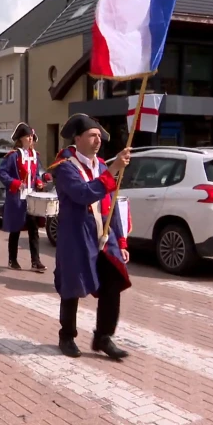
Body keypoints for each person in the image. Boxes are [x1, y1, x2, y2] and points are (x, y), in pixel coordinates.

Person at [48, 114, 132, 360]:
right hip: (76, 237)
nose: (98, 140)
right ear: (78, 139)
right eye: (92, 136)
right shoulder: (64, 168)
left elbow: (112, 204)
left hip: (104, 238)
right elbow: (83, 194)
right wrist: (114, 169)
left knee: (112, 284)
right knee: (72, 287)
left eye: (99, 136)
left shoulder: (103, 166)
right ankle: (67, 336)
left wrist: (122, 240)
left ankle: (103, 337)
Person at [0, 123, 46, 272]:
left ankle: (35, 261)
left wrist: (39, 181)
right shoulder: (13, 156)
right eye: (27, 136)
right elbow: (1, 173)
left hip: (31, 198)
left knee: (34, 229)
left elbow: (36, 174)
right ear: (21, 139)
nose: (30, 139)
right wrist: (15, 183)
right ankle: (12, 260)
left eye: (32, 136)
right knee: (16, 229)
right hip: (17, 198)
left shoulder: (35, 156)